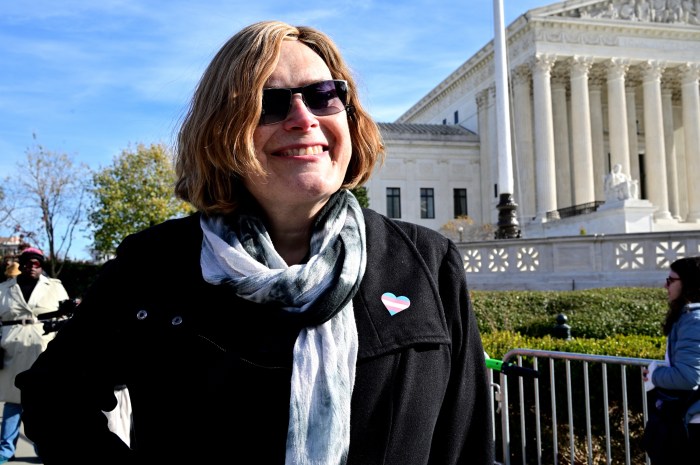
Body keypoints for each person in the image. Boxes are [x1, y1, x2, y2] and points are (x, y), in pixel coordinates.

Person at [15, 21, 493, 465]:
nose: (304, 119)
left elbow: (465, 438)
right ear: (220, 132)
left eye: (325, 95)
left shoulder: (426, 262)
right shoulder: (154, 264)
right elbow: (53, 398)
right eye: (271, 102)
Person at [0, 247, 68, 463]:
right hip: (12, 347)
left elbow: (68, 317)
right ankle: (5, 450)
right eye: (27, 262)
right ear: (21, 265)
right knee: (13, 401)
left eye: (37, 263)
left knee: (44, 403)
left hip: (44, 346)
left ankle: (44, 449)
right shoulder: (5, 288)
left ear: (42, 266)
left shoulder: (54, 287)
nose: (32, 266)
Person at [642, 256, 700, 464]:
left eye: (670, 280)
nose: (665, 285)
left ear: (689, 283)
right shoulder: (690, 317)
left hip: (692, 425)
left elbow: (688, 376)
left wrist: (655, 375)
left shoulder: (693, 320)